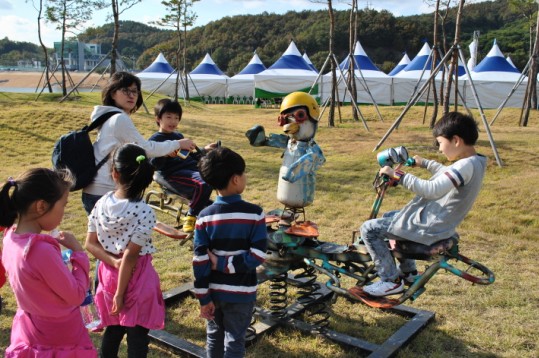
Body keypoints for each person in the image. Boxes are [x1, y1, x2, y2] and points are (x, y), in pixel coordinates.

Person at [358, 112, 487, 297]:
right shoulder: (476, 162)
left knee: (369, 229)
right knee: (391, 216)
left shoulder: (465, 166)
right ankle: (409, 274)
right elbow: (447, 172)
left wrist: (398, 175)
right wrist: (424, 163)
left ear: (456, 140)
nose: (440, 149)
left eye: (441, 143)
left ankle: (390, 280)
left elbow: (432, 189)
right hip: (441, 223)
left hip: (431, 227)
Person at [0, 169, 96, 357]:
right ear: (41, 206)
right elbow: (76, 295)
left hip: (30, 327)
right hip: (59, 334)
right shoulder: (39, 250)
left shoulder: (10, 237)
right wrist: (78, 253)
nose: (63, 212)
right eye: (63, 205)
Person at [85, 143, 165, 358]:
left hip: (108, 275)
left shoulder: (101, 203)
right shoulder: (145, 211)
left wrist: (113, 262)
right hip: (137, 278)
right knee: (137, 334)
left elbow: (90, 244)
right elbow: (130, 257)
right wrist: (121, 293)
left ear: (114, 173)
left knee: (113, 328)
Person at [82, 71, 196, 215]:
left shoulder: (108, 116)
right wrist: (178, 144)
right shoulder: (118, 119)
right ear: (112, 93)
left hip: (97, 189)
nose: (131, 95)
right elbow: (146, 148)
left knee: (104, 237)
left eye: (135, 91)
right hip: (104, 190)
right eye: (125, 90)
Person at [193, 147, 267, 358]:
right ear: (235, 179)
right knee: (235, 339)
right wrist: (225, 264)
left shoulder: (204, 216)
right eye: (244, 173)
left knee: (214, 335)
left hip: (214, 292)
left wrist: (203, 297)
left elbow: (199, 260)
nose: (245, 177)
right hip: (242, 294)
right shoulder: (255, 214)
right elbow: (258, 255)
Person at [149, 98, 215, 232]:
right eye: (168, 117)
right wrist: (166, 154)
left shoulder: (178, 135)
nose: (173, 121)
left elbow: (189, 155)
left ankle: (224, 211)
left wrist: (204, 150)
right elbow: (154, 165)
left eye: (176, 118)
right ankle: (191, 216)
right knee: (204, 183)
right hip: (173, 174)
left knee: (218, 174)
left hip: (191, 169)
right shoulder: (155, 140)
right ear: (158, 118)